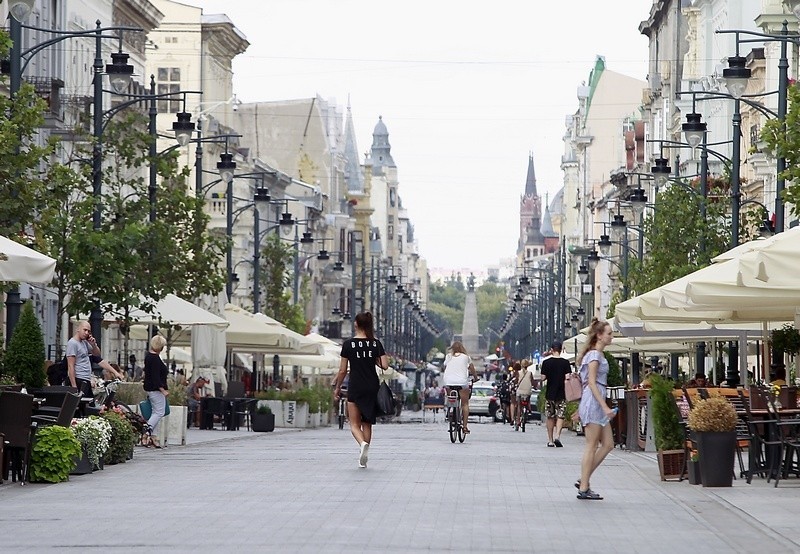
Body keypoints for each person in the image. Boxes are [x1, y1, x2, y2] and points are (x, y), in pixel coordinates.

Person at [334, 312, 389, 469]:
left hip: (356, 386)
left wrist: (338, 387)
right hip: (372, 386)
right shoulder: (375, 343)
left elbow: (343, 371)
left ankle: (362, 444)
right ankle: (364, 454)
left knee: (354, 424)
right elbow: (385, 365)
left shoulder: (348, 344)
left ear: (356, 324)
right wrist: (375, 358)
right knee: (367, 423)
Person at [576, 318, 616, 500]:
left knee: (608, 444)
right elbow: (591, 383)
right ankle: (584, 486)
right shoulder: (594, 356)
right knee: (591, 445)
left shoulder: (597, 355)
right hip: (594, 402)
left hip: (594, 401)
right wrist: (604, 406)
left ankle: (584, 478)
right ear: (599, 336)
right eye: (609, 334)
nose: (611, 337)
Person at [541, 340, 572, 448]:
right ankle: (557, 436)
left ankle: (550, 440)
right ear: (561, 349)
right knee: (560, 416)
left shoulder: (546, 362)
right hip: (561, 393)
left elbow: (543, 377)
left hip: (550, 393)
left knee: (550, 416)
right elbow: (568, 377)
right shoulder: (565, 362)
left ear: (551, 350)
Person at [441, 341, 477, 434]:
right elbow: (472, 369)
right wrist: (475, 378)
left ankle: (451, 410)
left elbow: (445, 367)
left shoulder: (448, 356)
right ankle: (465, 426)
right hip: (461, 382)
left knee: (451, 398)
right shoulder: (466, 357)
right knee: (465, 404)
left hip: (448, 382)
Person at [142, 335, 169, 448]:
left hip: (149, 388)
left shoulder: (148, 357)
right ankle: (146, 432)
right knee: (159, 412)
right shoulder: (156, 359)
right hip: (156, 389)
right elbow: (156, 376)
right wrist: (162, 389)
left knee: (155, 413)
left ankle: (154, 437)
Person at [66, 321, 101, 400]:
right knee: (85, 405)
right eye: (84, 330)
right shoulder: (73, 343)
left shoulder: (84, 342)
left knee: (89, 404)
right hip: (79, 378)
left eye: (88, 331)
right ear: (78, 329)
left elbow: (97, 354)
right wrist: (74, 387)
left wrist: (93, 345)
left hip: (86, 379)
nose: (86, 333)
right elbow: (70, 365)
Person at [515, 359, 535, 429]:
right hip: (528, 391)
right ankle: (528, 408)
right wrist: (534, 387)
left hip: (520, 391)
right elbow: (533, 382)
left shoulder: (518, 373)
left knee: (519, 407)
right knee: (528, 399)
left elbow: (516, 381)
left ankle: (517, 422)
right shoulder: (530, 373)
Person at [508, 362, 521, 427]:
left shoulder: (512, 374)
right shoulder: (521, 374)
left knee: (512, 403)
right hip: (520, 390)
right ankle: (518, 419)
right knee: (519, 405)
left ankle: (512, 418)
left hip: (513, 390)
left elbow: (509, 381)